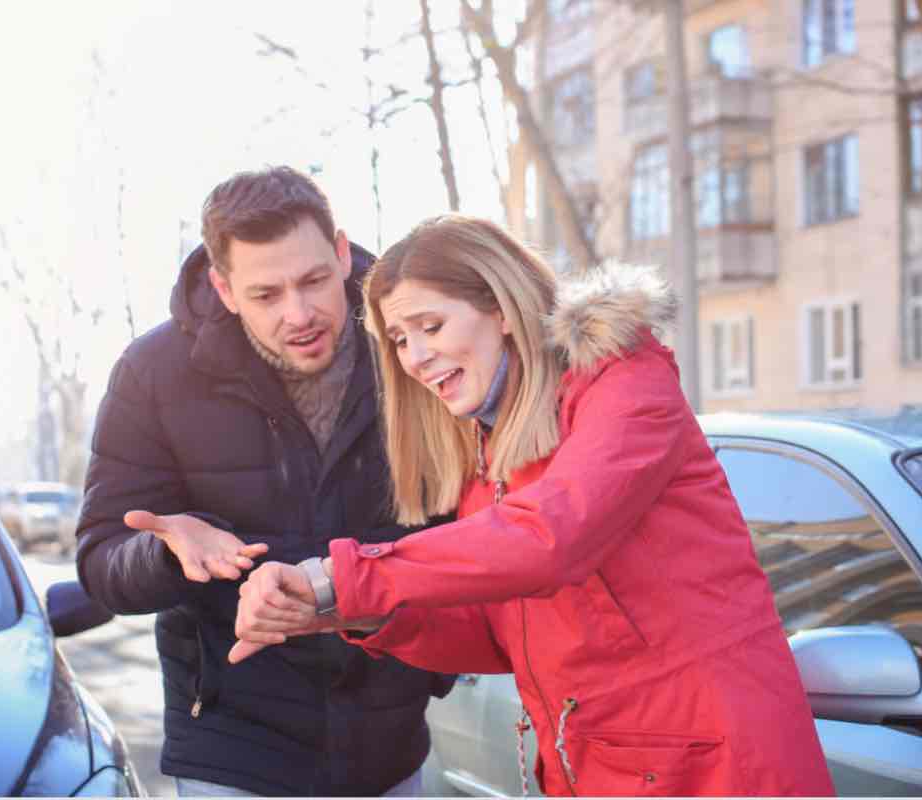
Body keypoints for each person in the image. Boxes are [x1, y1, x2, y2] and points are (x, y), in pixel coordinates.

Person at [136, 214, 834, 795]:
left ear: (501, 307)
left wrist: (338, 573)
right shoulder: (490, 460)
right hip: (602, 767)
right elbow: (495, 637)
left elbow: (550, 539)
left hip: (718, 767)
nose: (414, 357)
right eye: (400, 340)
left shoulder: (623, 385)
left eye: (430, 326)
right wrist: (335, 611)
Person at [74, 166, 454, 797]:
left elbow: (460, 530)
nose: (299, 314)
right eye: (266, 295)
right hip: (233, 753)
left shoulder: (408, 346)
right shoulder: (152, 374)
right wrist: (167, 552)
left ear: (340, 252)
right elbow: (100, 561)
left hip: (389, 751)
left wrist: (429, 671)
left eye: (313, 281)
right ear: (223, 289)